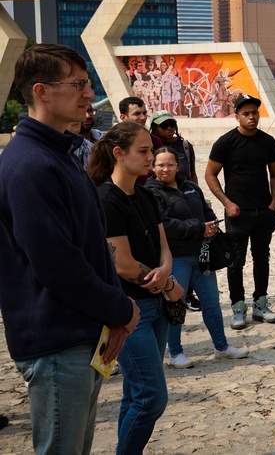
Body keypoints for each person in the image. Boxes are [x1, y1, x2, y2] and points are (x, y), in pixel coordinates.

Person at [0, 44, 139, 455]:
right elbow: (57, 264)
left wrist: (114, 312)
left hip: (82, 333)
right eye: (78, 84)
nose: (87, 93)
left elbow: (91, 245)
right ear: (41, 91)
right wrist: (122, 309)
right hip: (57, 340)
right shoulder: (29, 164)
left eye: (88, 82)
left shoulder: (59, 154)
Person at [90, 122, 186, 455]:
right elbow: (123, 265)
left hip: (156, 306)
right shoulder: (104, 198)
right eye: (143, 151)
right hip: (129, 312)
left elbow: (163, 245)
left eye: (152, 150)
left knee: (135, 392)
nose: (152, 157)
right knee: (151, 397)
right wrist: (168, 283)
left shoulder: (144, 192)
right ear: (118, 153)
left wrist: (166, 273)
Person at [147, 147, 248, 368]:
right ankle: (175, 353)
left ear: (178, 165)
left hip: (202, 254)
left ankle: (221, 347)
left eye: (170, 164)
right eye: (161, 165)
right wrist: (198, 228)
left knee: (211, 302)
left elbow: (206, 210)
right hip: (175, 257)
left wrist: (211, 225)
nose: (166, 169)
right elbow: (164, 224)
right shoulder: (150, 191)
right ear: (153, 166)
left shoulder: (191, 186)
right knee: (176, 304)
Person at [205, 93, 275, 329]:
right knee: (235, 261)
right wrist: (226, 203)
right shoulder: (226, 142)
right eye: (246, 113)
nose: (251, 117)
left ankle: (261, 303)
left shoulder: (268, 142)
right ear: (237, 116)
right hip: (237, 213)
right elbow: (210, 174)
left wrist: (273, 204)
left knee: (262, 258)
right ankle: (238, 307)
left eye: (254, 113)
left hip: (263, 211)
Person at [150, 111, 198, 185]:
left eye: (172, 124)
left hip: (184, 192)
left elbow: (192, 174)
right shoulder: (151, 147)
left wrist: (195, 193)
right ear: (155, 128)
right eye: (164, 125)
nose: (169, 128)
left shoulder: (185, 146)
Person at [73, 103, 103, 170]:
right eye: (82, 111)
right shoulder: (69, 146)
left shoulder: (103, 139)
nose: (88, 116)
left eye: (90, 111)